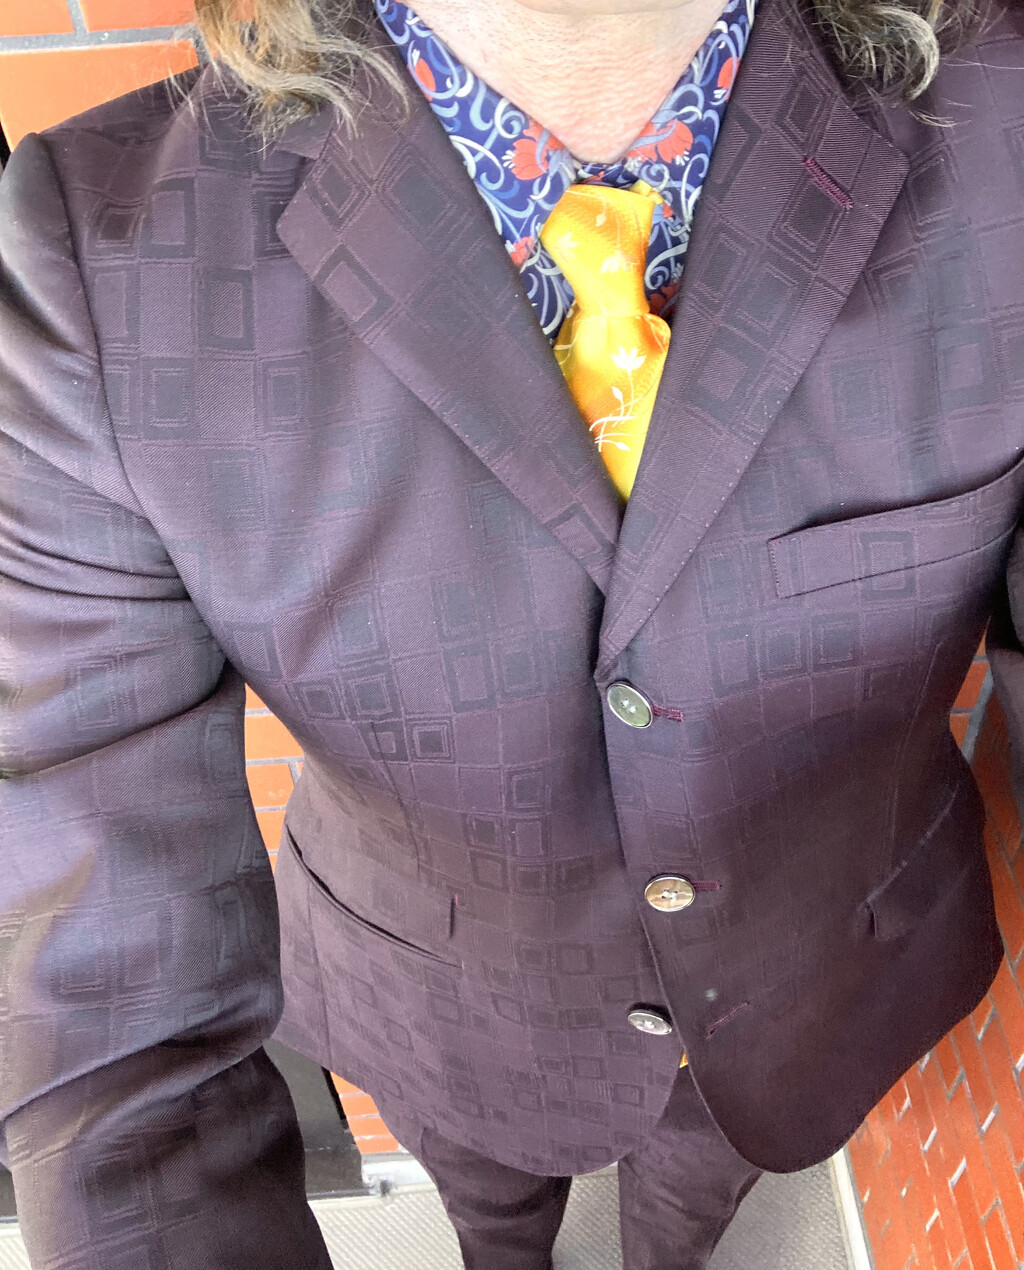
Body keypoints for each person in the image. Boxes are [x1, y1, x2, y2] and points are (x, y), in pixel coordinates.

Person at [0, 0, 1021, 1264]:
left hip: (814, 979)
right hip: (444, 1001)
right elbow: (113, 1025)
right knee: (492, 1218)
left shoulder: (1006, 131)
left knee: (687, 1220)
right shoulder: (101, 260)